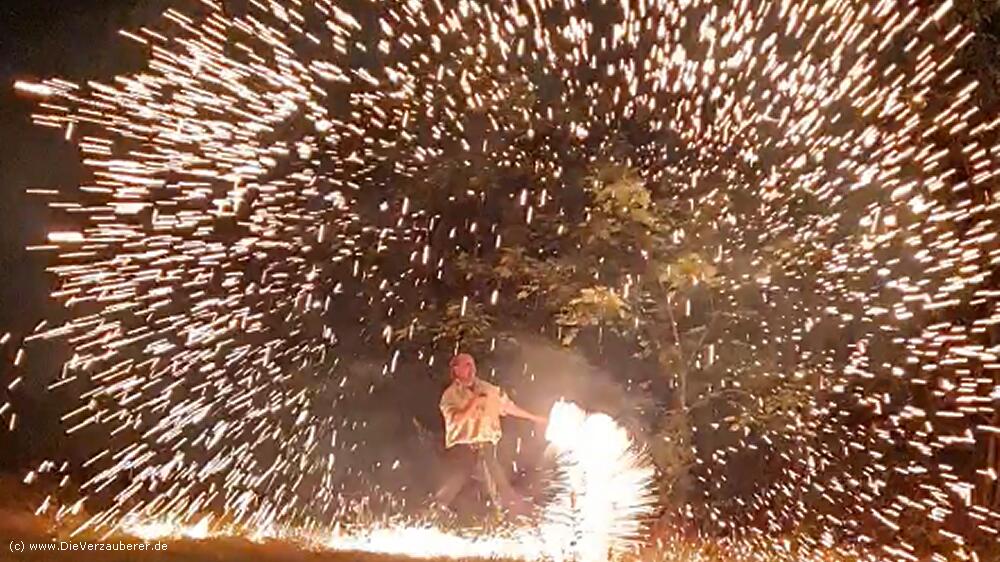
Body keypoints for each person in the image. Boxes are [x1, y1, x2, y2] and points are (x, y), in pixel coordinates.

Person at [435, 352, 546, 516]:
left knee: (495, 477)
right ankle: (437, 507)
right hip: (462, 447)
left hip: (486, 444)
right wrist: (474, 402)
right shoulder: (450, 395)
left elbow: (509, 407)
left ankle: (507, 511)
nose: (471, 369)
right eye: (466, 365)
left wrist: (535, 418)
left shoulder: (489, 390)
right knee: (459, 476)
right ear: (456, 369)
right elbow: (456, 419)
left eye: (472, 364)